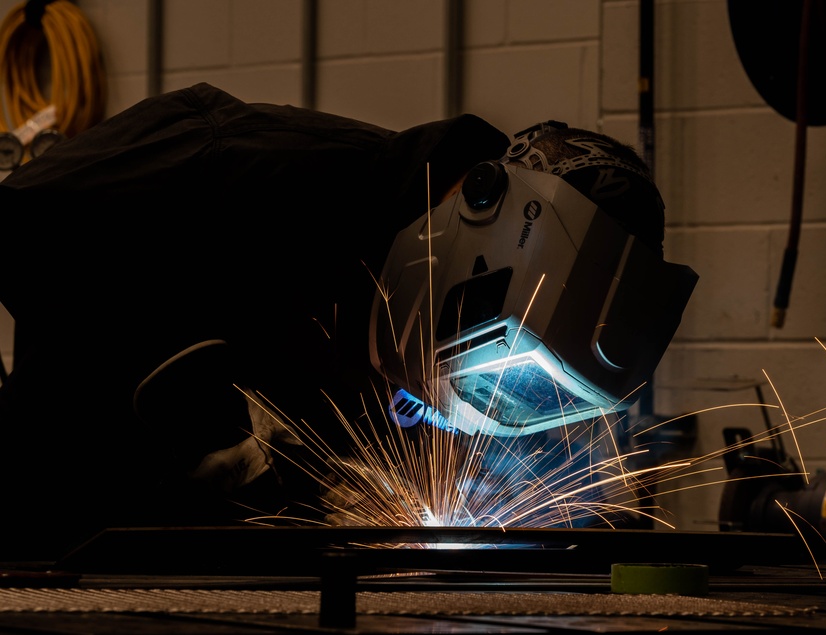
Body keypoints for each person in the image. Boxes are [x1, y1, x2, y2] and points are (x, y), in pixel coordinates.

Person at [0, 82, 696, 562]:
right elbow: (21, 222)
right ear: (485, 212)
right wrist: (165, 368)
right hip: (44, 547)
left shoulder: (424, 317)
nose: (478, 404)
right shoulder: (236, 164)